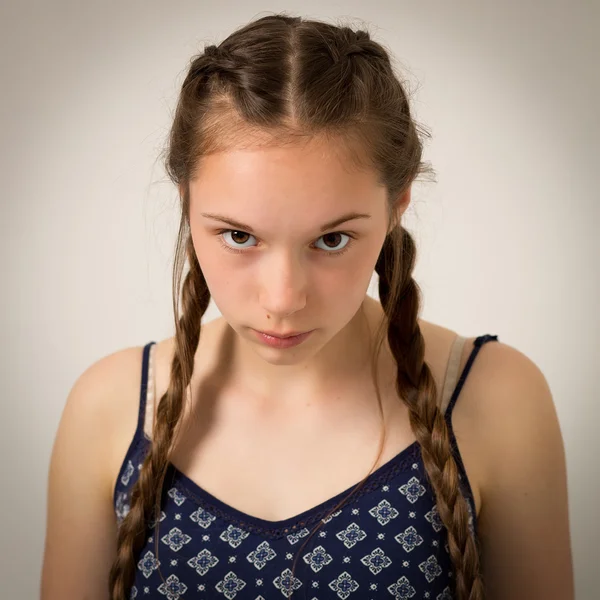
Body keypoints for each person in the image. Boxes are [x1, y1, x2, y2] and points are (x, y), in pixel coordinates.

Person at [40, 12, 574, 600]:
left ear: (397, 206)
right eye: (239, 237)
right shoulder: (111, 409)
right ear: (186, 204)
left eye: (331, 240)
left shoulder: (493, 399)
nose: (283, 299)